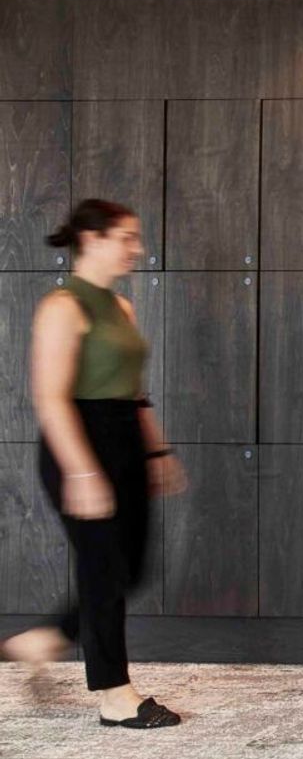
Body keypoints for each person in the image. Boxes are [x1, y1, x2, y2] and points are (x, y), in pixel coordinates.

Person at [2, 200, 187, 728]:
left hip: (125, 440)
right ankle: (114, 693)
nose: (137, 248)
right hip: (79, 444)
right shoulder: (62, 308)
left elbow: (134, 393)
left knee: (131, 565)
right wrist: (82, 471)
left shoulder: (120, 308)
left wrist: (156, 450)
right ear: (92, 239)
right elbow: (51, 398)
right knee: (103, 569)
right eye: (126, 238)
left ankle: (49, 637)